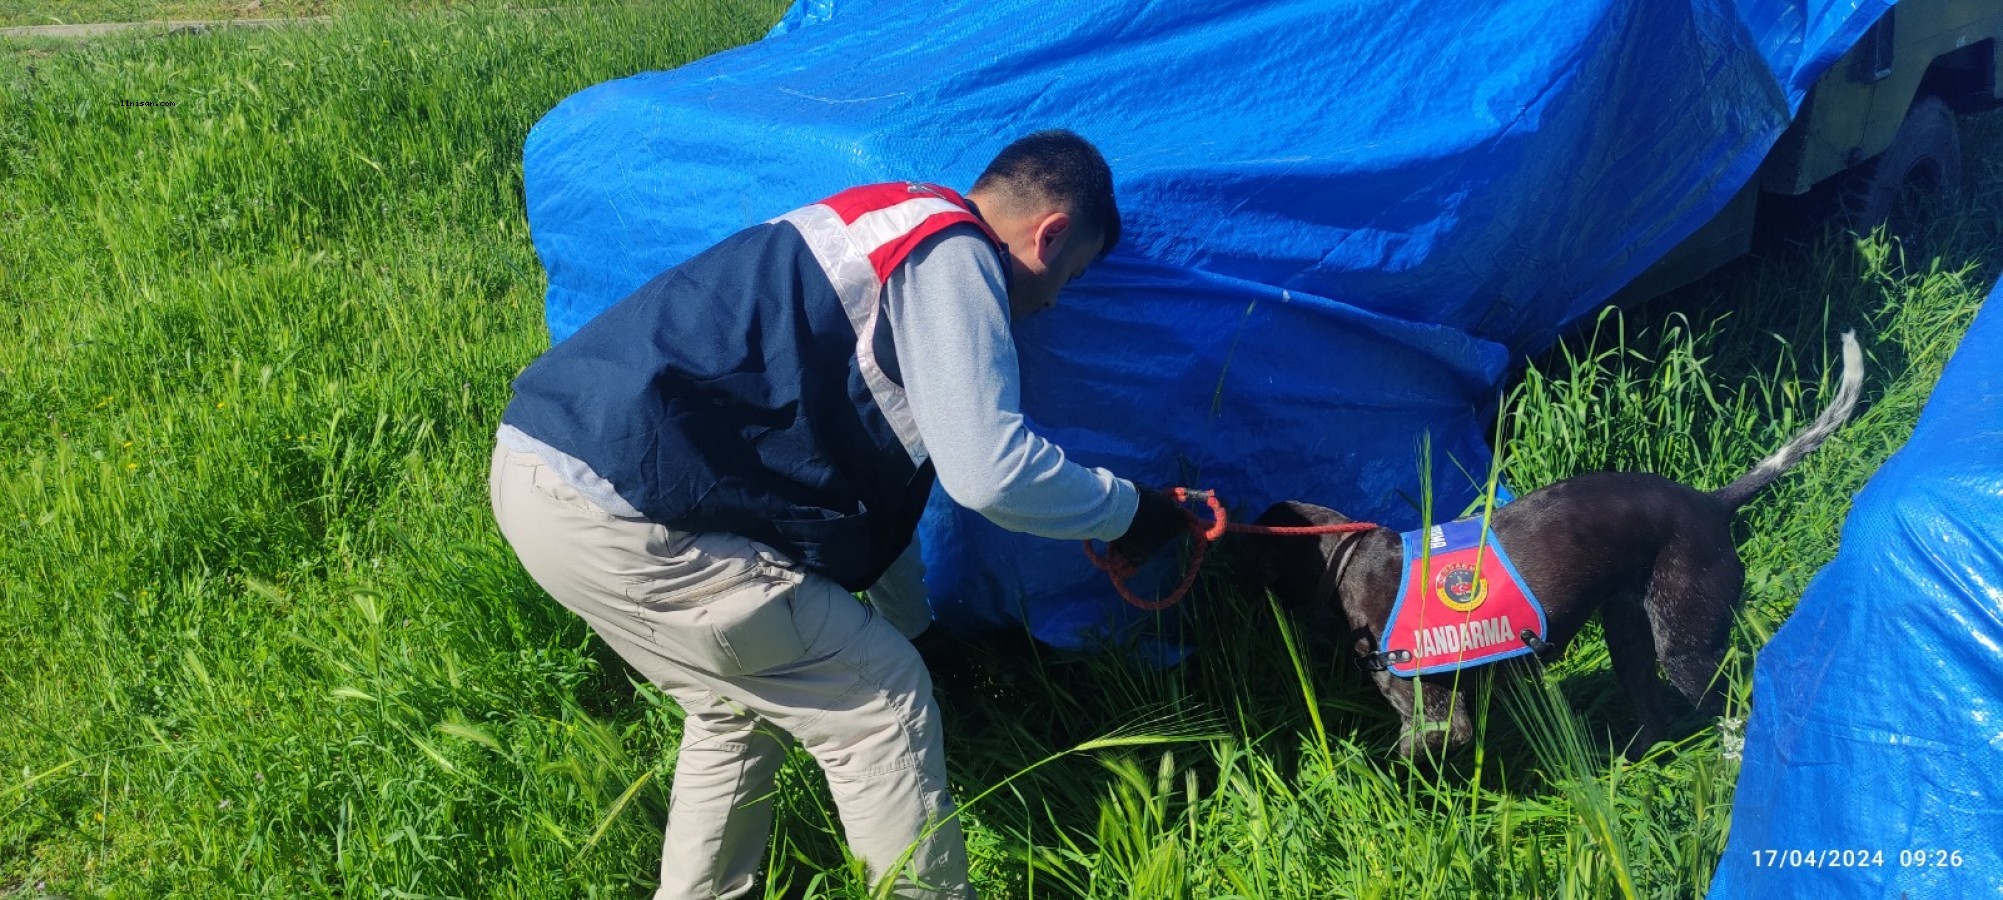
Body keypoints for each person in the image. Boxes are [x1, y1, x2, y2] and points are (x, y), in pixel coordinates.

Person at [488, 129, 1189, 899]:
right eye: (1071, 275)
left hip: (543, 475)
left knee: (736, 711)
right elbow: (990, 473)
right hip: (627, 511)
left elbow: (860, 483)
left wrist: (914, 622)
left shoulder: (886, 226)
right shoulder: (949, 252)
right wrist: (1131, 513)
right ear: (1049, 233)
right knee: (878, 701)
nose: (1055, 299)